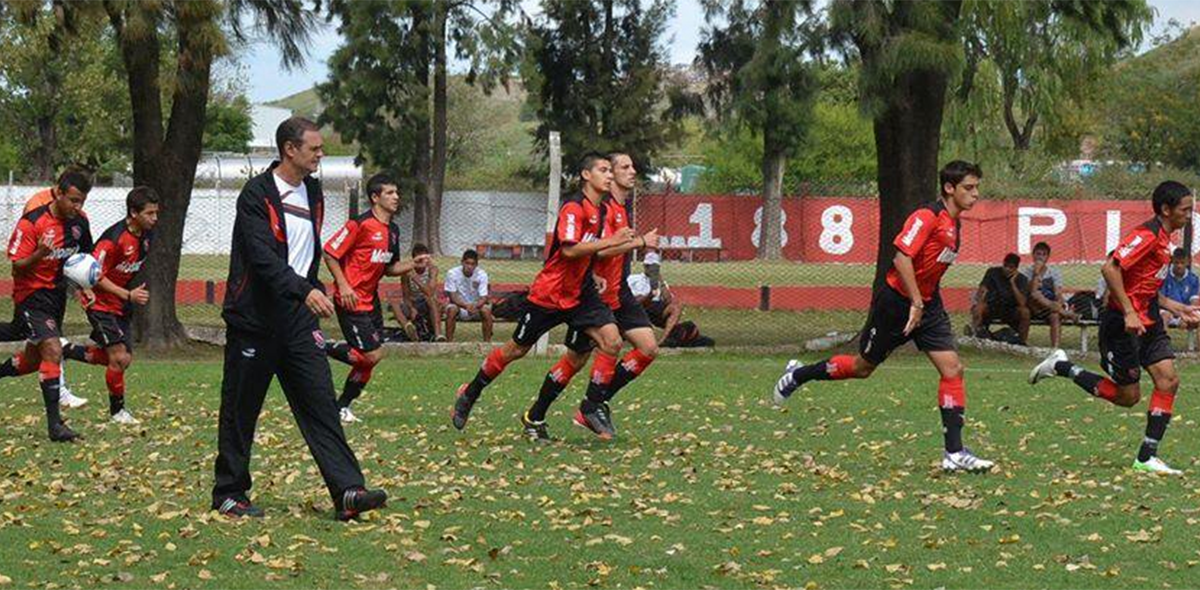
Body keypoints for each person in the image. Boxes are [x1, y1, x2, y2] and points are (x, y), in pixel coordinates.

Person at [212, 116, 386, 520]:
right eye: (314, 148)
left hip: (298, 322)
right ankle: (229, 493)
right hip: (254, 320)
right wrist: (304, 290)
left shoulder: (313, 191)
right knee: (240, 410)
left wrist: (309, 289)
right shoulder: (255, 194)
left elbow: (305, 251)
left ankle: (348, 491)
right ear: (290, 150)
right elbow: (262, 258)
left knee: (321, 404)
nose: (321, 154)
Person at [772, 161, 995, 473]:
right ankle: (799, 375)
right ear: (949, 188)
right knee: (862, 367)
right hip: (896, 303)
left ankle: (954, 453)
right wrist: (915, 301)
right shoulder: (927, 216)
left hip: (928, 304)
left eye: (977, 187)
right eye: (968, 188)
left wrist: (923, 303)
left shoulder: (954, 223)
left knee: (953, 369)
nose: (975, 194)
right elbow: (901, 257)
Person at [450, 152, 634, 434]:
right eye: (603, 170)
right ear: (586, 175)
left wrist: (593, 272)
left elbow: (588, 252)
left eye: (611, 171)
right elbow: (569, 250)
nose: (610, 175)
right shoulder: (573, 208)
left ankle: (592, 405)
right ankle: (470, 393)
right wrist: (610, 242)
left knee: (612, 341)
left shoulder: (600, 211)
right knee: (516, 350)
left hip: (581, 293)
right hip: (550, 293)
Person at [1029, 181, 1198, 475]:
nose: (1189, 214)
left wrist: (1176, 306)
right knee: (1128, 397)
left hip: (1149, 320)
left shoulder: (1165, 240)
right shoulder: (1147, 235)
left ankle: (1146, 457)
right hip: (1122, 325)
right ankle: (1062, 367)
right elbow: (1110, 268)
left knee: (1168, 380)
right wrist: (1130, 312)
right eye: (1185, 209)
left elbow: (1143, 286)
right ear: (1165, 209)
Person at [520, 151, 660, 442]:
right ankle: (536, 414)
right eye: (623, 167)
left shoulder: (622, 207)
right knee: (575, 360)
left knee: (648, 347)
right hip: (597, 296)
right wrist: (640, 242)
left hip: (619, 291)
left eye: (631, 166)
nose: (631, 171)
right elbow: (600, 249)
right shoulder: (603, 208)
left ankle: (595, 402)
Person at [322, 173, 430, 424]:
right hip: (350, 300)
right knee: (371, 355)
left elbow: (390, 268)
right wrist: (343, 286)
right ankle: (319, 346)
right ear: (375, 197)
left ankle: (342, 406)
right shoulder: (359, 225)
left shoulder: (393, 231)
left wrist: (413, 264)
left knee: (370, 360)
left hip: (371, 301)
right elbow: (329, 253)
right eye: (390, 193)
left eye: (397, 192)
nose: (396, 197)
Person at [0, 178, 93, 441]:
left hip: (56, 295)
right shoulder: (32, 222)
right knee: (52, 348)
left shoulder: (79, 222)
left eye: (82, 201)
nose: (78, 206)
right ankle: (56, 427)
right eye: (73, 200)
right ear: (58, 194)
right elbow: (18, 266)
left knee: (32, 359)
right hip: (31, 295)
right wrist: (41, 252)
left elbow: (84, 257)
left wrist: (85, 285)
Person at [61, 187, 158, 425]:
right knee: (119, 357)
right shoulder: (112, 240)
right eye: (149, 213)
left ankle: (67, 350)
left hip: (120, 304)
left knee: (121, 359)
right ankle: (117, 412)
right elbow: (94, 275)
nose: (155, 218)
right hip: (100, 303)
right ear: (133, 213)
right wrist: (127, 294)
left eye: (156, 213)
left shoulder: (147, 235)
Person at [1022, 241, 1078, 348]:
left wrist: (1059, 302)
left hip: (1049, 308)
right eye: (1038, 254)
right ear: (1033, 255)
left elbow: (1057, 293)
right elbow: (1030, 292)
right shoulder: (1026, 272)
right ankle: (1067, 314)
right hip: (1032, 306)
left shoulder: (1054, 272)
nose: (1040, 257)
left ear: (1048, 257)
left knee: (1055, 316)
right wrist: (1036, 273)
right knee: (1036, 295)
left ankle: (1055, 349)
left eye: (1044, 254)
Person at [969, 253, 1031, 344]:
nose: (1007, 269)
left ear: (1016, 269)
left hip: (1011, 309)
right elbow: (982, 289)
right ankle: (974, 336)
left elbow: (1022, 303)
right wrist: (980, 301)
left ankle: (1022, 342)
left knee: (1025, 312)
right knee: (979, 308)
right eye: (1005, 266)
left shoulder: (1022, 279)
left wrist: (1013, 283)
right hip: (992, 305)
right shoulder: (992, 272)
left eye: (1011, 267)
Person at [393, 244, 443, 342]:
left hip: (427, 302)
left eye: (425, 259)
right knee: (394, 305)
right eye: (419, 259)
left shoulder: (432, 269)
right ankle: (409, 329)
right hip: (413, 302)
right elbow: (406, 295)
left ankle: (438, 334)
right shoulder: (407, 272)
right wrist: (411, 308)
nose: (422, 262)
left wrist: (416, 278)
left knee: (431, 299)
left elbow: (430, 292)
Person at [443, 249, 495, 342]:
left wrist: (476, 306)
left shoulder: (482, 274)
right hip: (458, 305)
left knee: (486, 311)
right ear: (462, 262)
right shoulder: (452, 273)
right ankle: (449, 342)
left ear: (476, 265)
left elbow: (484, 297)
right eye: (467, 263)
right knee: (452, 310)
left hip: (476, 306)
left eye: (472, 264)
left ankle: (487, 342)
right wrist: (465, 306)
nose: (469, 266)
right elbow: (453, 296)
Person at [1159, 247, 1199, 328]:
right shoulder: (1164, 276)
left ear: (1187, 262)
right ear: (1172, 261)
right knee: (1164, 316)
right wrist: (1175, 310)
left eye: (1182, 263)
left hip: (1185, 312)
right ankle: (1162, 336)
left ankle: (1190, 336)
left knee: (1196, 317)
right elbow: (1161, 300)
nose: (1179, 266)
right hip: (1168, 311)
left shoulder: (1193, 279)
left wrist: (1189, 313)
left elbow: (1194, 301)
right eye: (1177, 263)